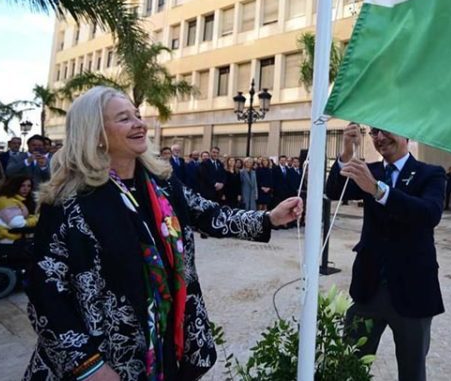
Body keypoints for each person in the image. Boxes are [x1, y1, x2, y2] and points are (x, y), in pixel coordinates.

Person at [23, 86, 302, 381]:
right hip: (104, 358)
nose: (139, 124)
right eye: (124, 118)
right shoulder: (69, 200)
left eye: (137, 115)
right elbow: (45, 290)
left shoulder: (163, 184)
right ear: (95, 133)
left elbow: (209, 214)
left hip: (165, 344)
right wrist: (87, 365)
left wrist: (269, 218)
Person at [325, 123, 445, 381]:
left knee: (412, 372)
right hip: (369, 289)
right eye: (374, 132)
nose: (379, 137)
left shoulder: (430, 173)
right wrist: (346, 152)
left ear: (407, 133)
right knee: (349, 367)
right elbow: (334, 191)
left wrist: (379, 191)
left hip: (413, 292)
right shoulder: (371, 170)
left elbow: (429, 214)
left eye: (386, 129)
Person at [0, 175, 37, 243]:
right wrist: (37, 219)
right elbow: (17, 224)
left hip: (14, 238)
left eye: (29, 186)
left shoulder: (17, 200)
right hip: (8, 239)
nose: (26, 189)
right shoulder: (5, 201)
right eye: (22, 185)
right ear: (14, 186)